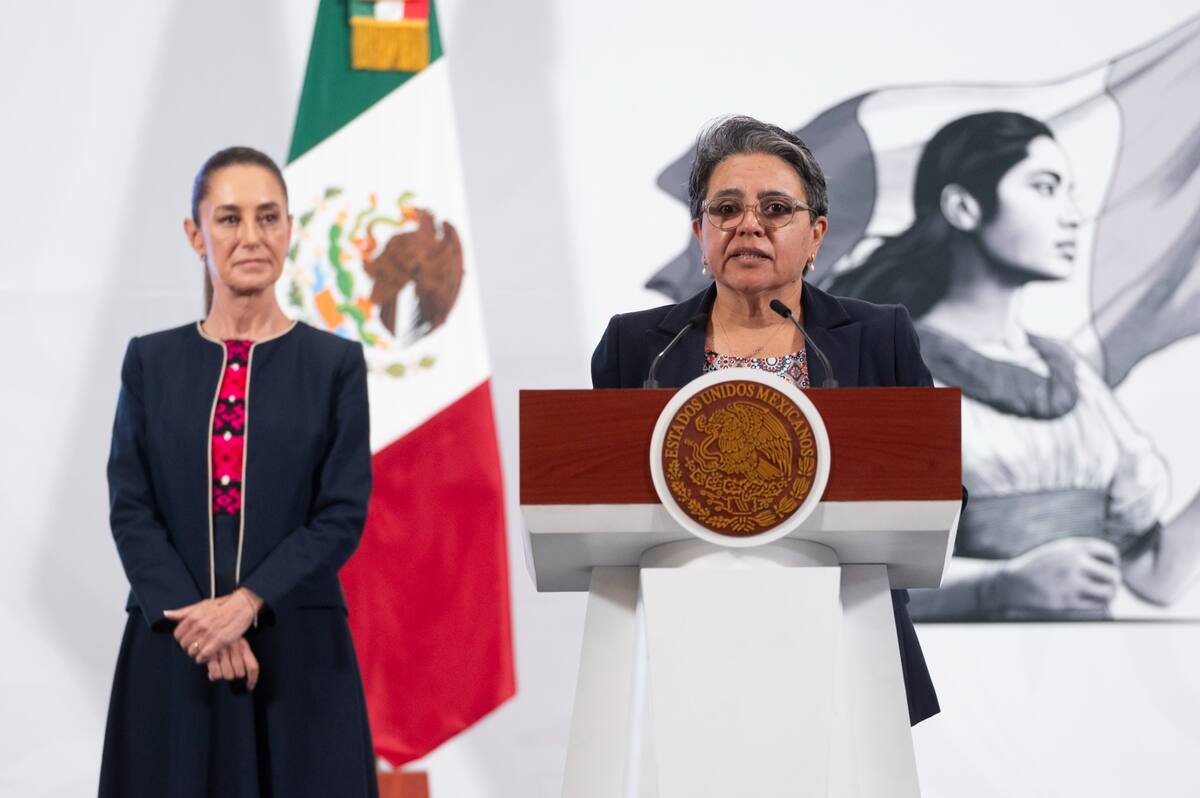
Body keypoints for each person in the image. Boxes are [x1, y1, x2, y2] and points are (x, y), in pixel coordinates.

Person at [591, 115, 940, 725]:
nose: (748, 224)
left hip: (847, 634)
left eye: (776, 208)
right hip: (683, 641)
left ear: (816, 235)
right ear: (701, 233)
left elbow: (939, 488)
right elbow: (592, 497)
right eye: (726, 208)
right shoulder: (639, 347)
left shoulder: (878, 338)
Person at [827, 111, 1200, 621]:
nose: (1071, 215)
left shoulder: (1071, 376)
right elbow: (847, 581)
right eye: (1045, 188)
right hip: (962, 678)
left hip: (1089, 679)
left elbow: (1154, 576)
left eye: (1069, 191)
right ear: (964, 207)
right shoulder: (891, 366)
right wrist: (999, 587)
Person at [99, 147, 378, 796]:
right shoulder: (151, 361)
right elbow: (130, 506)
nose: (250, 236)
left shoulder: (333, 365)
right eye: (228, 218)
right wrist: (202, 621)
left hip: (299, 650)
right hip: (174, 648)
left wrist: (248, 604)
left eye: (267, 217)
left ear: (289, 229)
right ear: (196, 234)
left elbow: (340, 514)